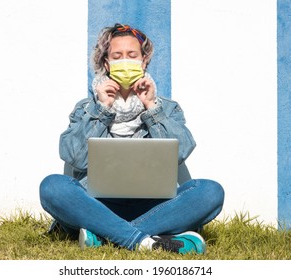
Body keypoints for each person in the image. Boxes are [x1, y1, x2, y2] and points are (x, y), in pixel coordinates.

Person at [39, 23, 224, 254]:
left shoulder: (166, 107)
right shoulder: (87, 108)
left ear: (144, 60)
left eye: (132, 55)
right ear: (106, 63)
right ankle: (150, 241)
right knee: (53, 187)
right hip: (96, 203)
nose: (125, 61)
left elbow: (181, 151)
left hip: (154, 206)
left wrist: (151, 108)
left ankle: (107, 236)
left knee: (210, 192)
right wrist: (102, 110)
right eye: (117, 56)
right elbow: (74, 156)